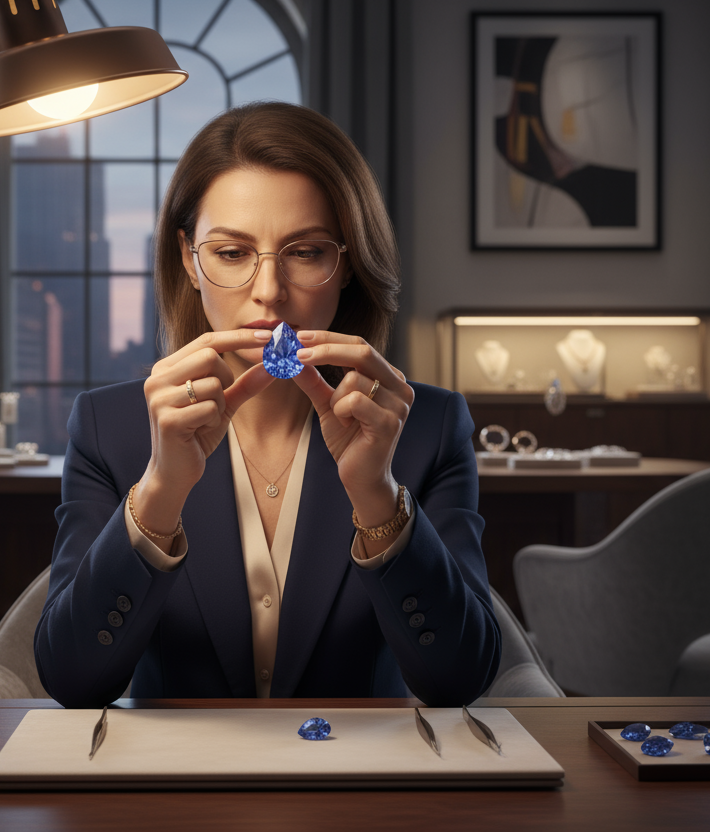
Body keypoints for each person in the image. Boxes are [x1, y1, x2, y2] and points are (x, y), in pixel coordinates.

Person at [35, 102, 500, 707]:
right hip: (174, 789)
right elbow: (72, 680)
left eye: (305, 252)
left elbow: (460, 681)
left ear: (349, 263)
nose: (269, 292)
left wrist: (378, 499)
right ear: (189, 259)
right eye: (231, 253)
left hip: (360, 787)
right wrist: (158, 496)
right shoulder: (110, 428)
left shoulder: (427, 427)